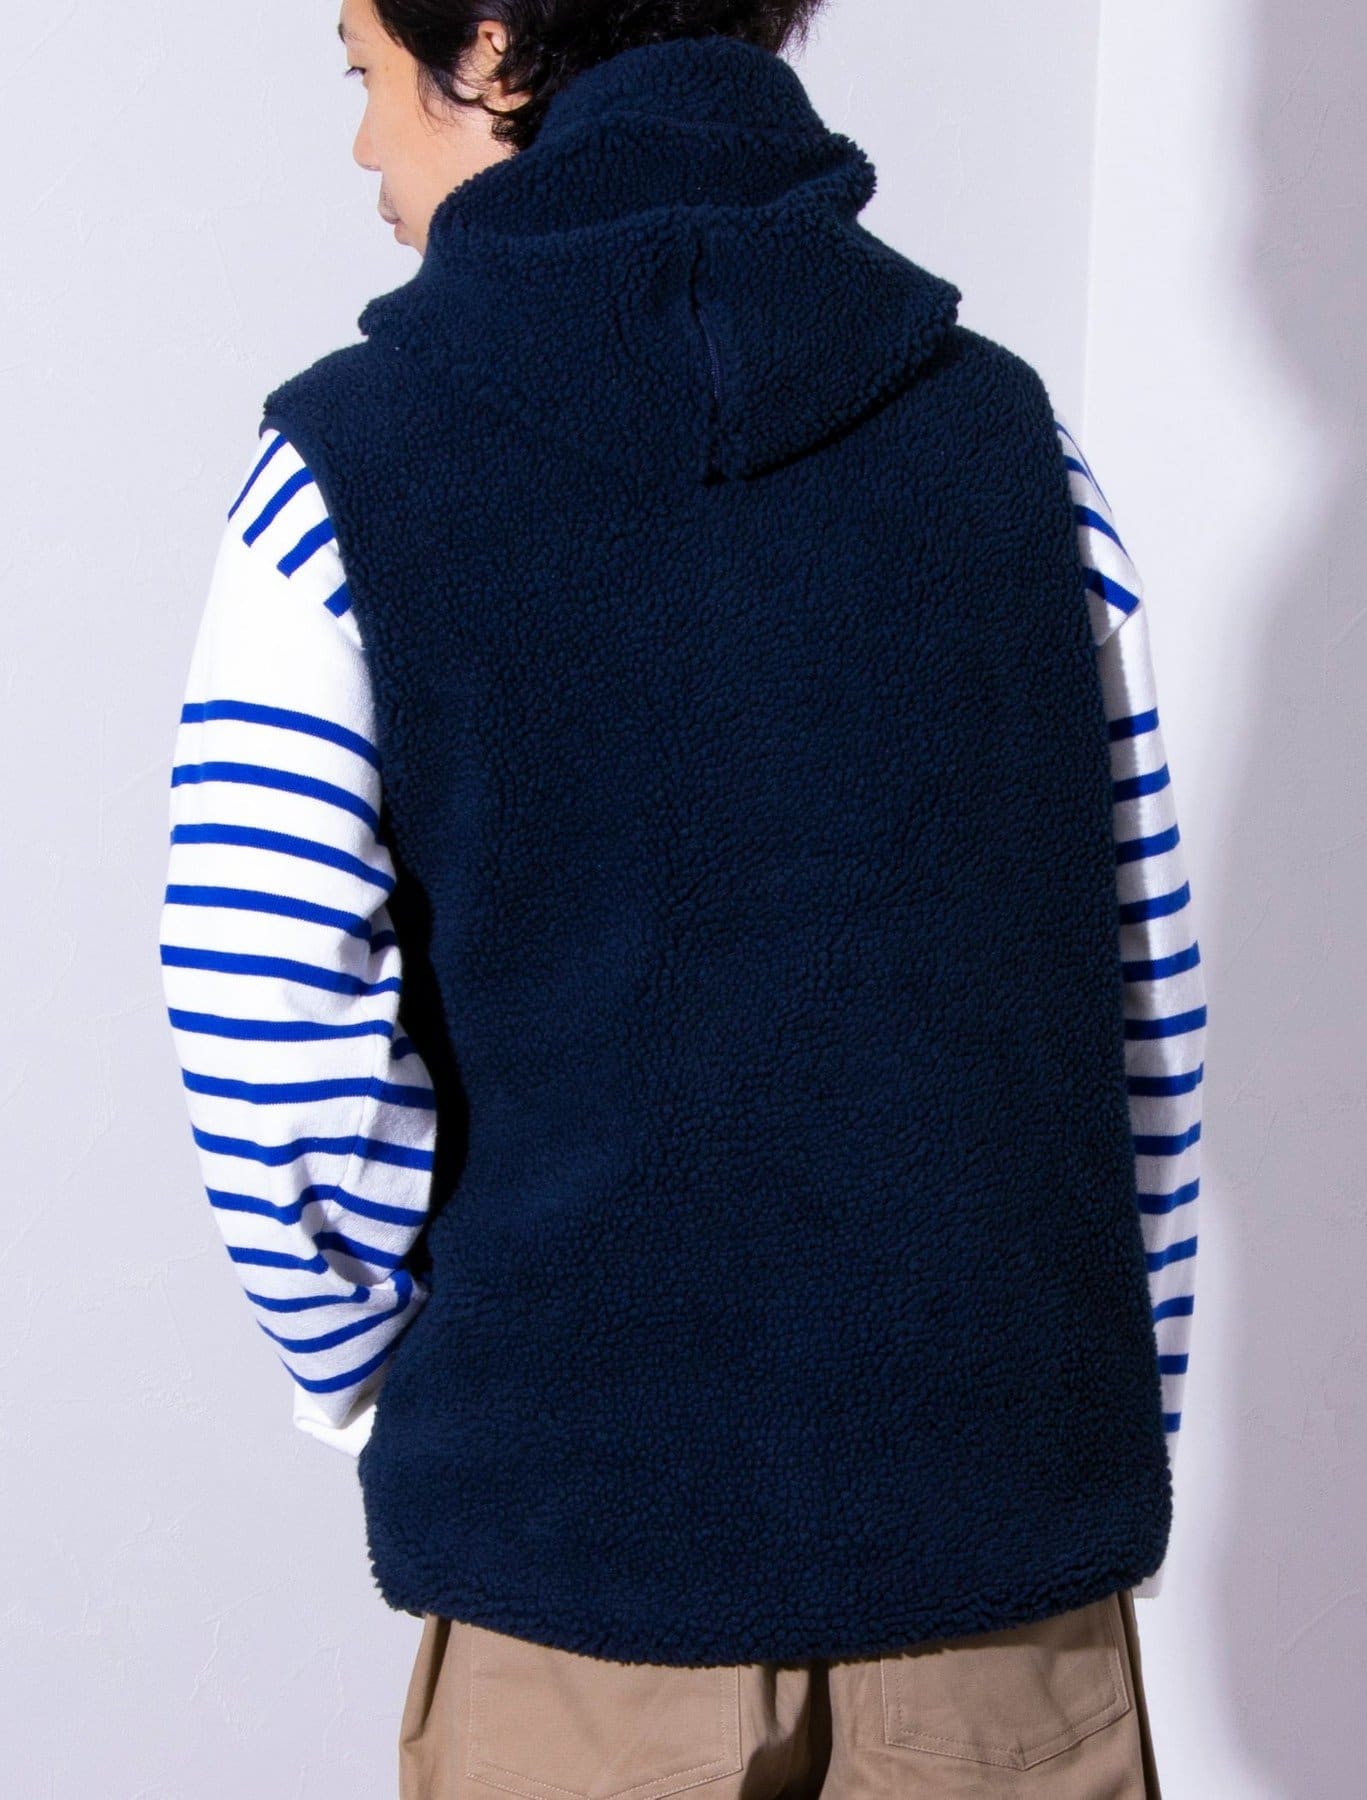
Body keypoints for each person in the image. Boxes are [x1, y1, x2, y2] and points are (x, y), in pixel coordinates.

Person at [158, 3, 1207, 1794]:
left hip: (577, 1602)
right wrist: (1076, 1426)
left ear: (492, 47)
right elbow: (1138, 1017)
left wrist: (405, 1395)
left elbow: (266, 1035)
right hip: (1003, 1592)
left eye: (363, 73)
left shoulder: (343, 463)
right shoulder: (1009, 443)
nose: (362, 146)